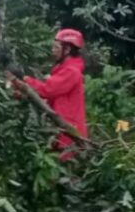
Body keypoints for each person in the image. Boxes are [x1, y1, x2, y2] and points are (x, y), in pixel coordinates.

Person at [12, 28, 88, 158]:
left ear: (67, 50)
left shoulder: (71, 72)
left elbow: (47, 90)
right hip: (61, 131)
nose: (53, 50)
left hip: (68, 135)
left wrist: (24, 79)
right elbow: (51, 99)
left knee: (64, 174)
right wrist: (25, 95)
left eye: (56, 46)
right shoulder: (64, 70)